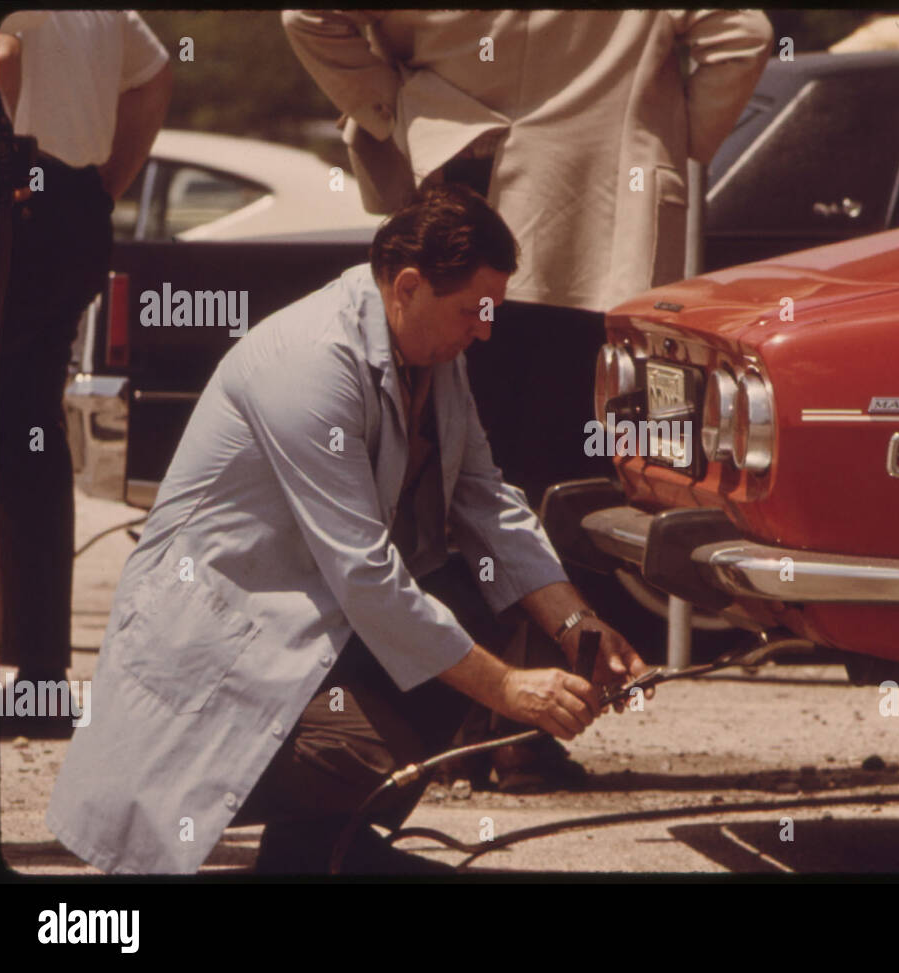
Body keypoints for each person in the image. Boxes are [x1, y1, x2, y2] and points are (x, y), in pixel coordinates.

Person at [46, 184, 652, 874]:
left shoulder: (431, 351)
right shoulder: (309, 363)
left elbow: (486, 499)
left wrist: (578, 627)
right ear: (409, 286)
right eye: (472, 311)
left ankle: (321, 846)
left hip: (311, 634)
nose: (485, 330)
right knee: (400, 699)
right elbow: (367, 576)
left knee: (475, 593)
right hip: (226, 654)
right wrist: (510, 690)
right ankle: (308, 840)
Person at [282, 9, 774, 506]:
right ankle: (571, 575)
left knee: (464, 453)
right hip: (610, 216)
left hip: (460, 202)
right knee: (606, 452)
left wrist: (401, 109)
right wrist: (676, 137)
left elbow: (308, 15)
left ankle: (476, 568)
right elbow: (743, 38)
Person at [0, 11, 172, 738]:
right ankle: (39, 682)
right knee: (31, 430)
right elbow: (156, 71)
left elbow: (1, 50)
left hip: (16, 199)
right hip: (65, 205)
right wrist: (105, 183)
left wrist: (10, 153)